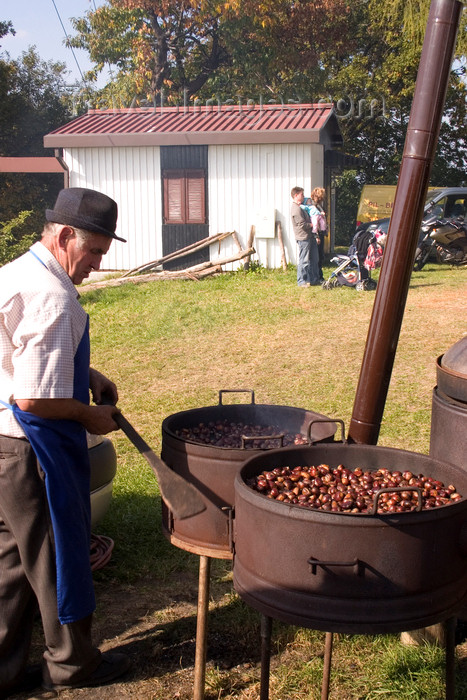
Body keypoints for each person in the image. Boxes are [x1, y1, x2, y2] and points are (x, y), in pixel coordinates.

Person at [0, 187, 131, 697]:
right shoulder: (54, 297)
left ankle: (5, 671)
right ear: (65, 236)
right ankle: (73, 666)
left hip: (0, 449)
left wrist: (87, 372)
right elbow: (32, 399)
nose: (96, 265)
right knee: (58, 557)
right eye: (94, 251)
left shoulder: (15, 272)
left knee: (11, 564)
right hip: (32, 451)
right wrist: (88, 415)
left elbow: (16, 351)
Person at [290, 186, 320, 287]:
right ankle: (301, 281)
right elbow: (302, 225)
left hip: (309, 236)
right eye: (302, 194)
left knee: (314, 259)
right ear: (296, 195)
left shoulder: (301, 206)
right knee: (304, 260)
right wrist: (313, 225)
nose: (303, 196)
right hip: (303, 238)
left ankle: (314, 279)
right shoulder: (296, 209)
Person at [308, 187, 328, 282]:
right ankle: (317, 276)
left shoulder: (318, 206)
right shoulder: (313, 206)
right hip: (316, 233)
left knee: (320, 255)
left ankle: (319, 276)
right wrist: (316, 236)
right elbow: (314, 222)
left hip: (320, 232)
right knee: (317, 256)